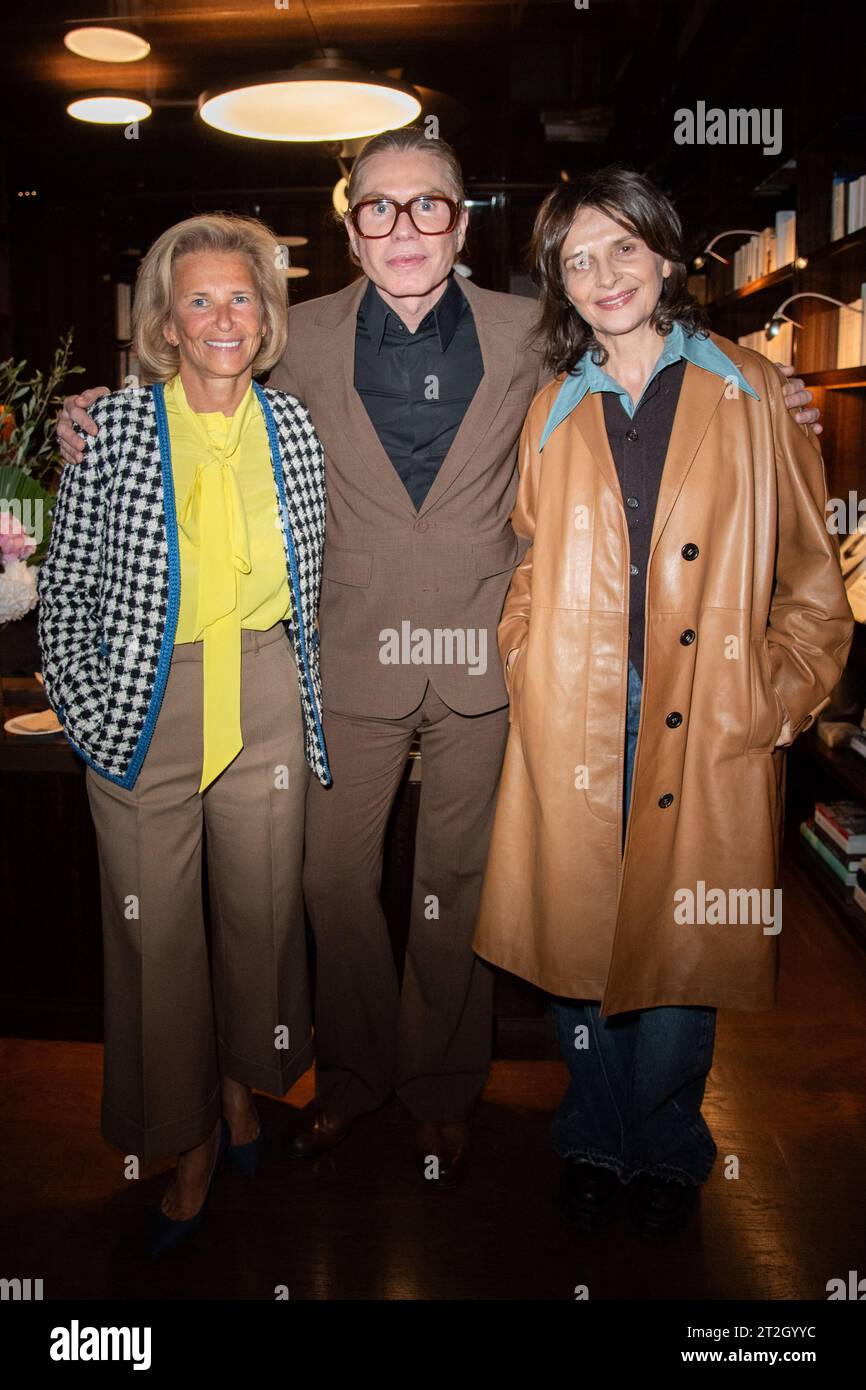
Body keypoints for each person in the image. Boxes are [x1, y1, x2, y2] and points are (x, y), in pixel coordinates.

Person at [56, 129, 821, 1189]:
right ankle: (356, 1072)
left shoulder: (535, 332)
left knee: (454, 891)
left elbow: (667, 375)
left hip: (488, 669)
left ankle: (440, 1089)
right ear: (349, 228)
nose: (404, 227)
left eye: (428, 208)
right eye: (379, 207)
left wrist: (775, 397)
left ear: (461, 225)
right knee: (330, 884)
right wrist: (94, 408)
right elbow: (199, 368)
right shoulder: (297, 337)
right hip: (338, 664)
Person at [472, 167, 853, 1236]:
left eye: (620, 249)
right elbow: (530, 564)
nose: (601, 276)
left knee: (681, 946)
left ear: (663, 254)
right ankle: (593, 1134)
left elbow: (813, 585)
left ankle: (668, 1144)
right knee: (576, 942)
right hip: (574, 715)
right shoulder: (551, 404)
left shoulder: (748, 390)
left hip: (710, 713)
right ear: (558, 281)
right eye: (576, 261)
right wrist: (522, 659)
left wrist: (769, 704)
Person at [39, 213, 329, 1255]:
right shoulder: (110, 428)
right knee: (155, 939)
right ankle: (188, 1142)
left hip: (261, 697)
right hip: (143, 702)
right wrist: (84, 707)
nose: (222, 317)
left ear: (266, 315)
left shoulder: (293, 427)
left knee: (259, 919)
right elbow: (65, 589)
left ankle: (245, 1092)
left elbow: (320, 579)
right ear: (164, 319)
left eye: (240, 297)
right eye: (198, 298)